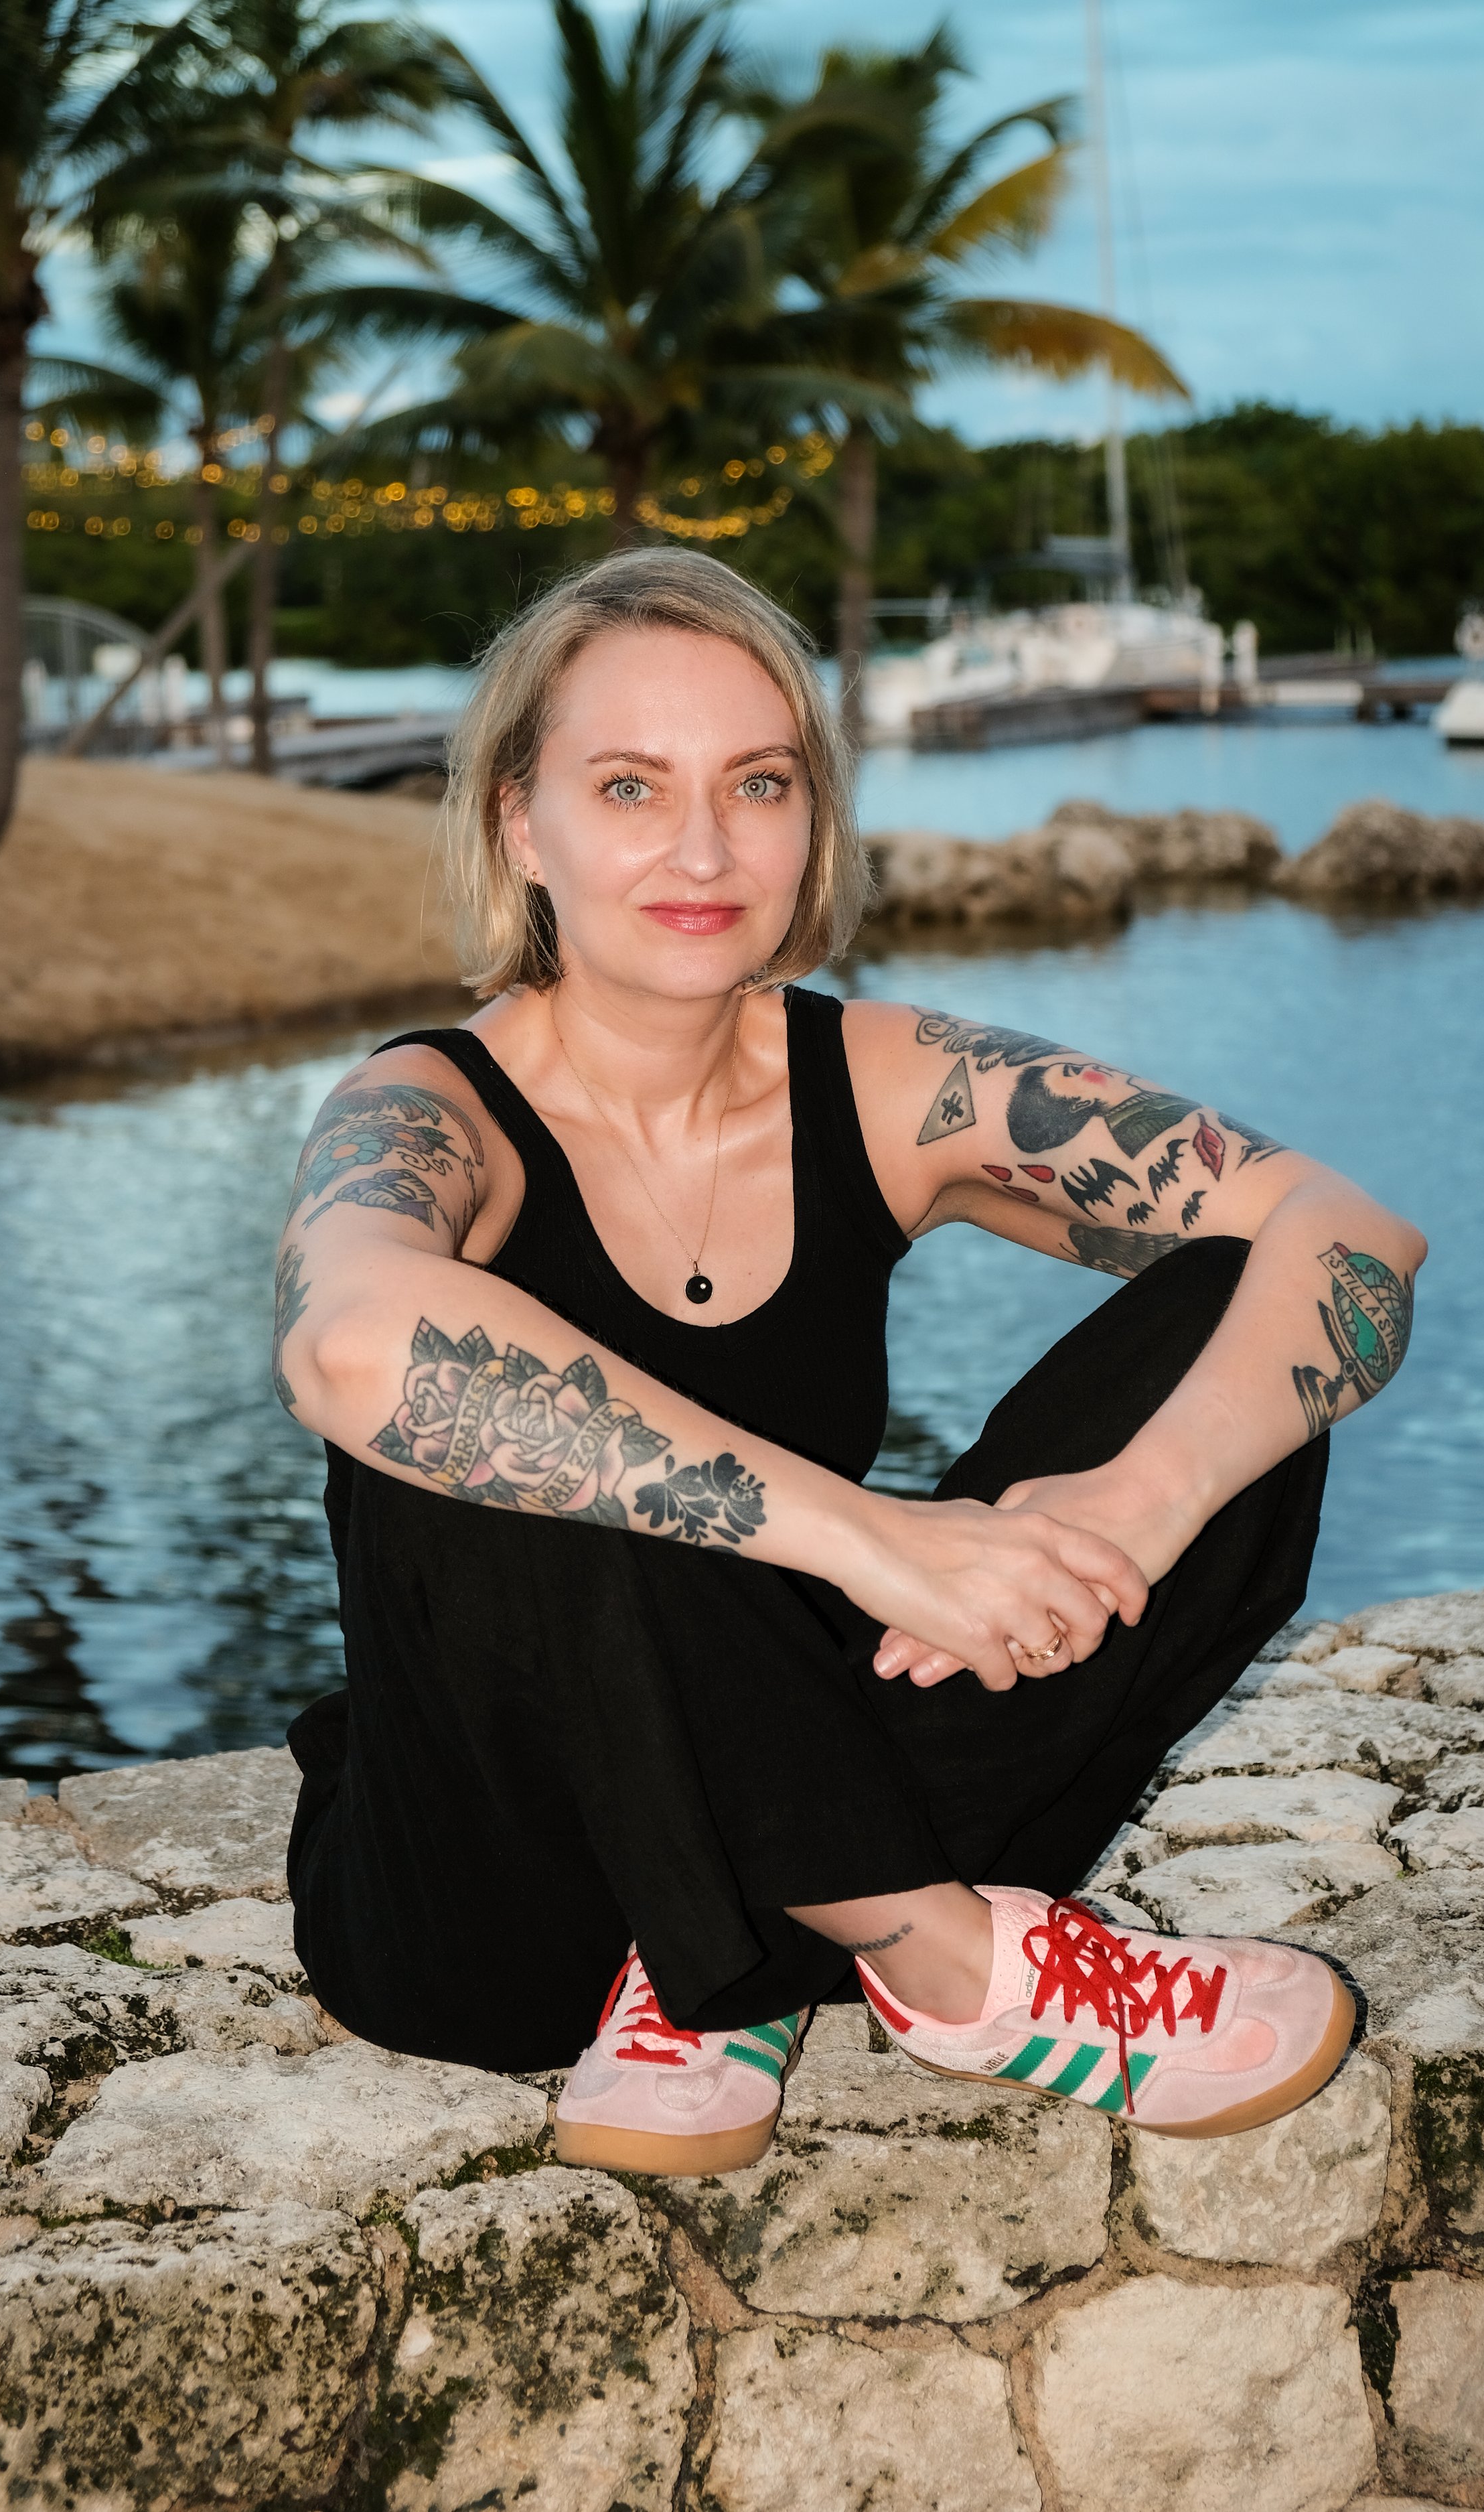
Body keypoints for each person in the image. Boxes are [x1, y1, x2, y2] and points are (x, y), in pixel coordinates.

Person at [277, 548, 1425, 2178]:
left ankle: (739, 1954)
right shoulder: (432, 1110)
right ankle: (952, 1959)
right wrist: (875, 1539)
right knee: (471, 1395)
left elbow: (1350, 1235)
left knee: (1240, 1313)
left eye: (757, 782)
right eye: (628, 787)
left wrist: (1129, 1513)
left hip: (828, 1769)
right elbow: (343, 1338)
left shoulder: (885, 1083)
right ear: (521, 826)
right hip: (489, 1907)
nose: (701, 849)